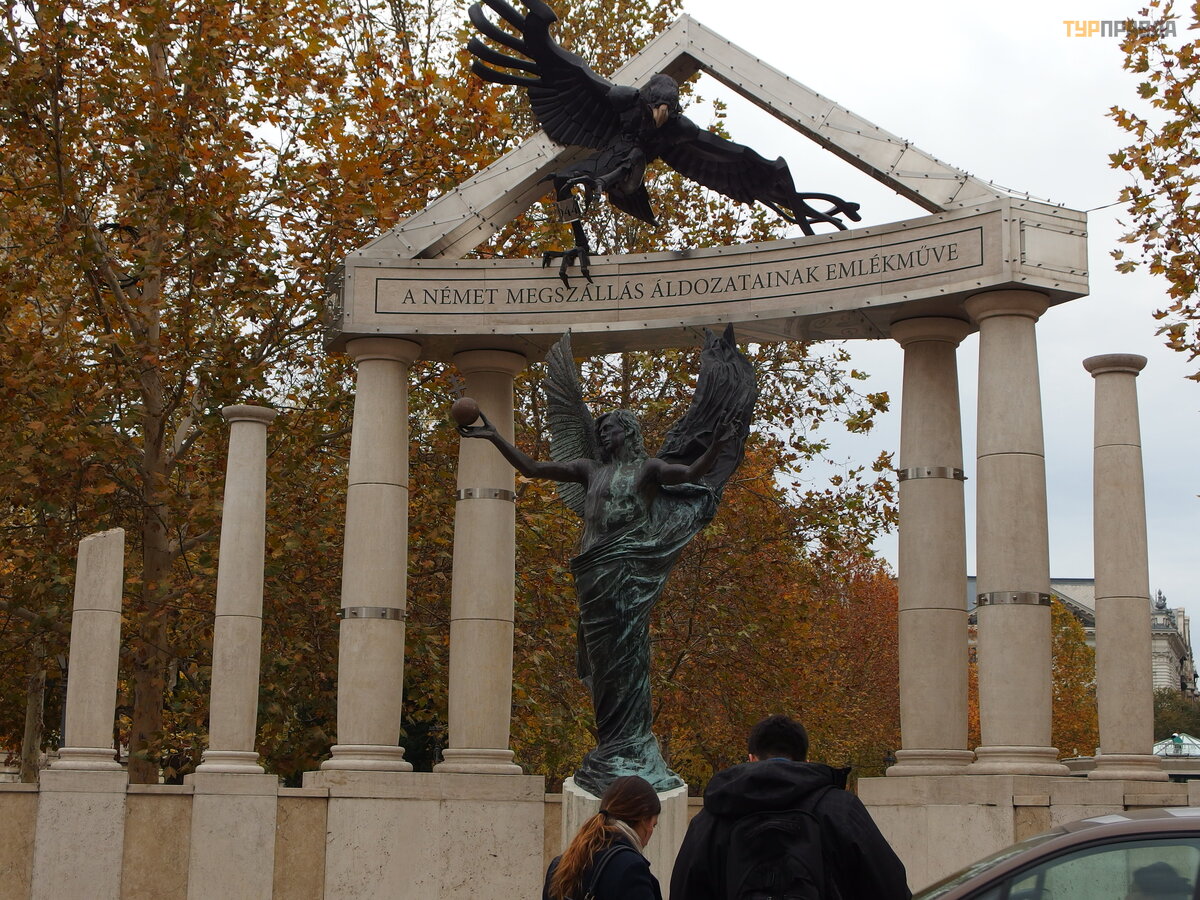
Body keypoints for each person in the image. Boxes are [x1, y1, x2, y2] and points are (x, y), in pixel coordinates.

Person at [460, 407, 734, 794]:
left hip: (628, 569)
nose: (603, 434)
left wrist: (717, 447)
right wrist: (494, 437)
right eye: (600, 429)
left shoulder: (648, 469)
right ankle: (612, 745)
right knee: (603, 659)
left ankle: (632, 744)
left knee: (629, 655)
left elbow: (689, 474)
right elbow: (533, 468)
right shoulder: (590, 470)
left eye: (610, 428)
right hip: (593, 571)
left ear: (630, 432)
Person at [670, 714, 911, 900]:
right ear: (806, 760)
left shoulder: (714, 816)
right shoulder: (840, 808)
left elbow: (684, 888)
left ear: (751, 759)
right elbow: (890, 887)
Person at [544, 774, 663, 900]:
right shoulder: (631, 869)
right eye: (653, 825)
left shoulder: (559, 865)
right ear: (644, 819)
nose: (651, 833)